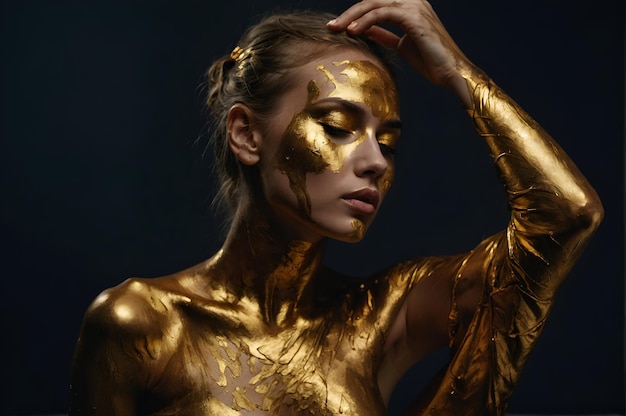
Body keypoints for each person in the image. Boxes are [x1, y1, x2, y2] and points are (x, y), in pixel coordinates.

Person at [68, 1, 603, 415]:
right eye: (339, 127)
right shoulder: (142, 324)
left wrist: (458, 71)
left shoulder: (382, 315)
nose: (375, 162)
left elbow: (567, 216)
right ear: (247, 134)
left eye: (388, 142)